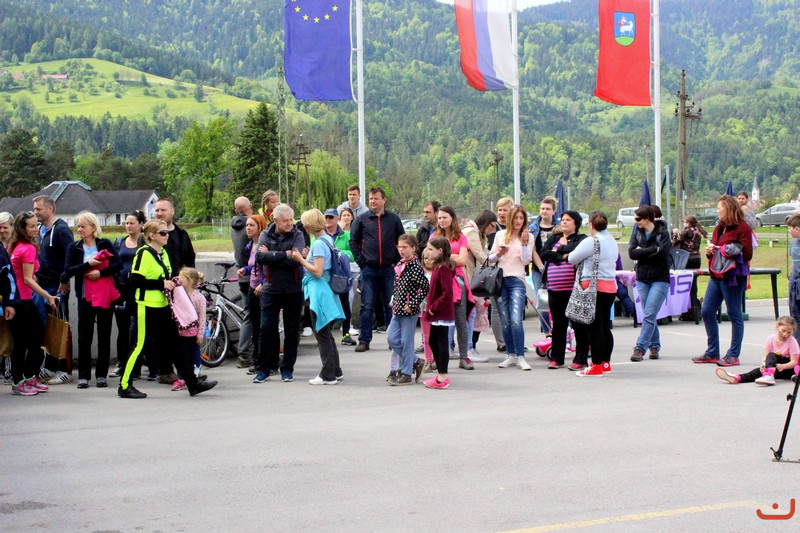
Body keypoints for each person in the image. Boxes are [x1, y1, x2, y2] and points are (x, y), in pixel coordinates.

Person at [118, 219, 216, 399]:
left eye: (167, 233)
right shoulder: (144, 253)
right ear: (151, 235)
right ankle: (124, 385)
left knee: (175, 345)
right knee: (139, 346)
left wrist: (174, 282)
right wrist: (161, 283)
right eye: (162, 233)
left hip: (163, 306)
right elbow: (135, 280)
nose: (167, 236)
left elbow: (166, 277)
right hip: (146, 306)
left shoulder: (162, 253)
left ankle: (192, 383)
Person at [692, 195, 754, 367]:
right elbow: (716, 249)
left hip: (733, 277)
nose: (717, 211)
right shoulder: (720, 227)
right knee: (707, 311)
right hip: (716, 275)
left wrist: (728, 250)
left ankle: (733, 354)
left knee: (734, 314)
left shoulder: (743, 228)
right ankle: (712, 352)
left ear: (728, 209)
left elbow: (748, 254)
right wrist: (711, 252)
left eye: (719, 208)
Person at [63, 211, 122, 389]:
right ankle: (83, 375)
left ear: (93, 227)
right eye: (78, 226)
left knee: (104, 335)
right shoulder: (74, 247)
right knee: (84, 336)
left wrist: (100, 273)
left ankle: (101, 375)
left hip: (104, 295)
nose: (79, 229)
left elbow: (117, 264)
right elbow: (69, 269)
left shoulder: (104, 243)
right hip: (84, 295)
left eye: (83, 226)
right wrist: (88, 265)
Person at [292, 209, 345, 385]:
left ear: (309, 225)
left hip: (319, 292)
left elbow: (317, 271)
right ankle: (335, 370)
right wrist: (308, 256)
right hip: (325, 290)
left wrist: (301, 259)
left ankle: (328, 375)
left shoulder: (319, 244)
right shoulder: (327, 239)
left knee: (321, 333)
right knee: (326, 333)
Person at [349, 186, 405, 352]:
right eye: (371, 199)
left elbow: (402, 240)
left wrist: (396, 261)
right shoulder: (362, 219)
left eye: (376, 198)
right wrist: (362, 262)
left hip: (389, 269)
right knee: (366, 306)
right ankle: (364, 340)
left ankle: (392, 340)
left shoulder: (393, 219)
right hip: (369, 270)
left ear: (384, 200)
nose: (373, 201)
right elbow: (353, 242)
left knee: (391, 305)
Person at [254, 204, 305, 383]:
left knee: (292, 331)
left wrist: (273, 255)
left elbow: (296, 260)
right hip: (271, 289)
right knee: (266, 329)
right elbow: (260, 257)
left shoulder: (298, 234)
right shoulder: (265, 234)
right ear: (275, 221)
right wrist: (285, 254)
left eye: (291, 220)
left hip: (293, 289)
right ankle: (264, 369)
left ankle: (287, 369)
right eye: (285, 221)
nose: (289, 223)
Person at [8, 211, 58, 396]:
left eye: (36, 224)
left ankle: (27, 377)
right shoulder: (27, 248)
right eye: (31, 226)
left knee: (25, 341)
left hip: (18, 299)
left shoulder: (15, 246)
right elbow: (28, 279)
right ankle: (21, 380)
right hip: (23, 301)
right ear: (22, 229)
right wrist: (48, 296)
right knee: (32, 340)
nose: (36, 229)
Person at [568, 212, 619, 377]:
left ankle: (595, 365)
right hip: (610, 287)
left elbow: (572, 258)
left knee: (594, 328)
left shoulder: (592, 241)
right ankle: (605, 362)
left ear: (590, 224)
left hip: (593, 288)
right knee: (604, 327)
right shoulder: (612, 240)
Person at [33, 195, 74, 384]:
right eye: (34, 209)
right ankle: (49, 366)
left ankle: (65, 369)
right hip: (42, 285)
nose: (36, 212)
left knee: (61, 325)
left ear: (50, 209)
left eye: (38, 209)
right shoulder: (40, 230)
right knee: (47, 326)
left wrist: (64, 279)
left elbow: (70, 257)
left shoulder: (61, 230)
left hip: (57, 286)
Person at [540, 211, 586, 369]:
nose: (564, 222)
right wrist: (563, 255)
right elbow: (544, 253)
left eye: (568, 220)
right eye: (563, 219)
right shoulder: (553, 238)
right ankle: (557, 358)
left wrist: (558, 251)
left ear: (576, 223)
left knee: (578, 324)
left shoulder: (581, 239)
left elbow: (576, 250)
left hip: (573, 289)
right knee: (558, 325)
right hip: (554, 289)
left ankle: (580, 359)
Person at [490, 204, 534, 371]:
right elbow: (490, 259)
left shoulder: (528, 236)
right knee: (505, 320)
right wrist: (500, 253)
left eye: (521, 218)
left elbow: (526, 261)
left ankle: (520, 356)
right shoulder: (500, 235)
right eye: (515, 217)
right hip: (500, 280)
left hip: (517, 280)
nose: (518, 221)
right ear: (510, 219)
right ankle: (511, 354)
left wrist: (524, 244)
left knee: (516, 319)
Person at [628, 205, 672, 362]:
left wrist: (642, 252)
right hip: (642, 278)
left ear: (647, 219)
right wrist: (652, 249)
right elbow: (632, 253)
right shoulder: (637, 232)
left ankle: (640, 348)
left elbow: (663, 255)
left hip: (659, 278)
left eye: (638, 219)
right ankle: (654, 345)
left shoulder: (663, 233)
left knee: (649, 314)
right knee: (648, 314)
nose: (636, 222)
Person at [435, 206, 475, 370]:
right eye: (439, 218)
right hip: (439, 282)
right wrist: (452, 256)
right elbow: (430, 258)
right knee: (439, 323)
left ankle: (464, 357)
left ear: (452, 218)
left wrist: (443, 256)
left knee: (460, 321)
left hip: (457, 282)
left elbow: (463, 260)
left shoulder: (461, 237)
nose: (442, 220)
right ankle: (437, 359)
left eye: (445, 217)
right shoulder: (434, 237)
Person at [385, 234, 428, 385]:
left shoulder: (416, 267)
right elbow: (396, 285)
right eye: (399, 247)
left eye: (404, 247)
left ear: (413, 248)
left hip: (409, 311)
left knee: (406, 342)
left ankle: (406, 373)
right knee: (391, 338)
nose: (401, 250)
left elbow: (425, 288)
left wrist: (413, 304)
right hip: (397, 309)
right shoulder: (401, 263)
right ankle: (416, 361)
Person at [110, 210, 146, 379]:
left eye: (132, 223)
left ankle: (137, 364)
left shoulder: (144, 242)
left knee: (136, 328)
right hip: (121, 289)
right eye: (127, 223)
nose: (128, 226)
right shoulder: (119, 242)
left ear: (141, 224)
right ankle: (122, 363)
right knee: (122, 328)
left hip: (138, 290)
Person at [716, 317, 799, 386]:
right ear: (777, 326)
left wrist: (783, 366)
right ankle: (738, 378)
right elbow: (766, 357)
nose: (785, 334)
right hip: (776, 367)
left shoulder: (792, 341)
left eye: (789, 333)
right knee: (758, 371)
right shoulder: (770, 339)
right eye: (783, 331)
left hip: (788, 368)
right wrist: (763, 364)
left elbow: (794, 362)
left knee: (772, 355)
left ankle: (769, 375)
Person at [461, 209, 498, 362]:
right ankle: (468, 347)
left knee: (469, 314)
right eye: (492, 226)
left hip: (470, 276)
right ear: (486, 223)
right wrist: (495, 266)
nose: (492, 230)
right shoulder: (471, 232)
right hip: (468, 277)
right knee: (470, 314)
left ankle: (463, 347)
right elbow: (480, 255)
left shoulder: (474, 231)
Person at [422, 237, 455, 390]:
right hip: (436, 312)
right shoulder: (437, 267)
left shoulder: (443, 268)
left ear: (440, 251)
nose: (427, 252)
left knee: (441, 343)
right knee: (433, 341)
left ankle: (442, 376)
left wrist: (432, 308)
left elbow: (447, 293)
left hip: (441, 312)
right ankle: (440, 373)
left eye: (431, 249)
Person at [237, 214, 268, 377]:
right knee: (255, 326)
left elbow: (268, 267)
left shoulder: (264, 246)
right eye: (247, 225)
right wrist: (245, 270)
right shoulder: (250, 245)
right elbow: (253, 266)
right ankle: (257, 360)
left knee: (264, 327)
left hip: (263, 290)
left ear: (260, 227)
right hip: (252, 288)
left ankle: (264, 361)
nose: (247, 228)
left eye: (251, 225)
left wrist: (263, 283)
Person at [322, 208, 356, 346]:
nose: (328, 220)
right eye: (326, 217)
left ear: (337, 219)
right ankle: (326, 336)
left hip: (341, 275)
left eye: (331, 217)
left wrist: (340, 252)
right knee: (326, 305)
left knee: (344, 303)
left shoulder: (346, 235)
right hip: (325, 275)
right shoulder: (319, 235)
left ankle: (346, 334)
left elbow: (353, 255)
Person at [171, 267, 207, 392]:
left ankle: (195, 377)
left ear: (191, 280)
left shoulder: (199, 298)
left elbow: (202, 317)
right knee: (183, 357)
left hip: (193, 333)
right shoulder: (178, 294)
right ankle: (182, 378)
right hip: (180, 333)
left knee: (195, 357)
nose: (179, 279)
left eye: (182, 277)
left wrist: (200, 334)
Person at [529, 196, 561, 335]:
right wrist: (542, 268)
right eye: (542, 208)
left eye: (548, 209)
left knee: (557, 301)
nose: (544, 211)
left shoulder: (559, 227)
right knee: (542, 302)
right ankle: (547, 332)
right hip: (538, 270)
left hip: (556, 269)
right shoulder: (533, 228)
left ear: (554, 211)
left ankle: (559, 330)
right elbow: (532, 250)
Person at [231, 196, 254, 369]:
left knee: (248, 312)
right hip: (251, 274)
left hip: (241, 275)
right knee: (251, 316)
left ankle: (244, 352)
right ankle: (244, 353)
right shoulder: (251, 225)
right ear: (250, 207)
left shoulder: (233, 226)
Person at [488, 197, 513, 350]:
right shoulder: (493, 228)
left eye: (505, 210)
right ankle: (501, 343)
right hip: (495, 272)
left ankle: (511, 340)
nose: (502, 213)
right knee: (496, 308)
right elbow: (488, 251)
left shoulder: (515, 227)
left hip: (512, 271)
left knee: (512, 308)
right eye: (500, 210)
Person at [154, 198, 196, 273]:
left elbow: (190, 261)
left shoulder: (182, 234)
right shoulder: (149, 235)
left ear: (172, 211)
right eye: (157, 210)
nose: (159, 213)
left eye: (163, 210)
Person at [0, 212, 18, 386]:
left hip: (9, 300)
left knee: (8, 338)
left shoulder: (18, 245)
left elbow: (8, 278)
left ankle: (9, 372)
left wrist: (9, 302)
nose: (2, 231)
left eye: (5, 227)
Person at [788, 215, 800, 343]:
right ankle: (796, 345)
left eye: (790, 228)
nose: (789, 231)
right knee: (794, 316)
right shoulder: (793, 243)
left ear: (797, 229)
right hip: (794, 283)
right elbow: (793, 262)